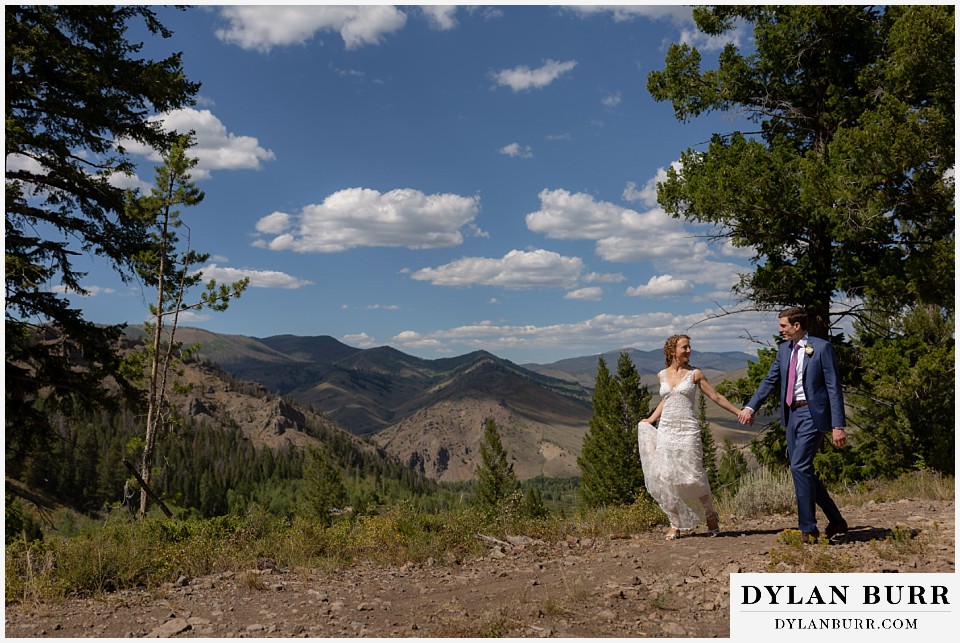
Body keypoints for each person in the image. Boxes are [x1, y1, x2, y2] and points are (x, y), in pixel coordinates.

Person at [737, 307, 849, 543]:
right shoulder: (784, 350)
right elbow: (770, 380)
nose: (780, 331)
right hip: (792, 414)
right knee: (804, 469)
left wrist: (838, 425)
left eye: (783, 326)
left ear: (796, 326)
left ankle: (807, 529)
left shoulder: (821, 347)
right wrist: (750, 407)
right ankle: (837, 521)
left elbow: (833, 388)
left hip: (813, 413)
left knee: (798, 466)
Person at [638, 334, 743, 540]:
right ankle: (675, 524)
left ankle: (710, 515)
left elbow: (716, 396)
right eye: (684, 347)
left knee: (694, 475)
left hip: (688, 431)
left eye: (689, 347)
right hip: (667, 430)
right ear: (672, 351)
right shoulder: (661, 375)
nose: (688, 350)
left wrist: (738, 412)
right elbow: (667, 400)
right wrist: (650, 419)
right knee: (667, 476)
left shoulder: (695, 374)